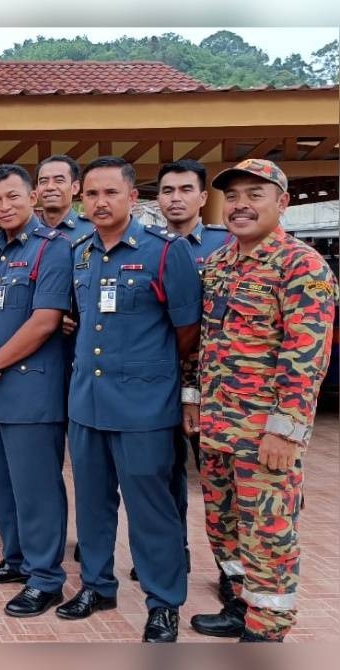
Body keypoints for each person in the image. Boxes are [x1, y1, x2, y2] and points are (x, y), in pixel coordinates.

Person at [186, 159, 338, 642]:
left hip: (264, 433)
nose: (241, 205)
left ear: (282, 203)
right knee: (225, 523)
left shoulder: (303, 265)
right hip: (218, 425)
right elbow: (204, 342)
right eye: (233, 197)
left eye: (255, 194)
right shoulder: (217, 265)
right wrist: (193, 399)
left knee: (268, 530)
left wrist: (285, 429)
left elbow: (307, 355)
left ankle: (268, 628)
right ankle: (240, 602)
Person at [58, 157, 201, 643]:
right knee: (93, 505)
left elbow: (187, 329)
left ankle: (164, 602)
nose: (99, 203)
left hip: (143, 407)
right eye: (91, 194)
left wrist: (153, 374)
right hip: (87, 402)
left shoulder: (166, 252)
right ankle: (97, 585)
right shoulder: (79, 252)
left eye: (110, 194)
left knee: (151, 510)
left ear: (131, 197)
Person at [0, 165, 72, 617]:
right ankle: (16, 560)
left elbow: (45, 321)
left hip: (30, 391)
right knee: (4, 487)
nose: (4, 207)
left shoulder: (54, 250)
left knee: (37, 489)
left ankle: (46, 577)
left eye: (13, 197)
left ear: (32, 198)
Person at [124, 159, 232, 585]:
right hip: (163, 387)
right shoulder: (147, 247)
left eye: (185, 190)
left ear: (203, 198)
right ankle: (171, 555)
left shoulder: (224, 248)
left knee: (223, 485)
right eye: (167, 191)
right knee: (164, 478)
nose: (175, 198)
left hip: (222, 386)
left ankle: (232, 572)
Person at [35, 155, 94, 240]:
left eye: (59, 181)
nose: (50, 187)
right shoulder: (26, 230)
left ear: (75, 187)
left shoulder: (91, 230)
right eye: (43, 181)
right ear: (37, 189)